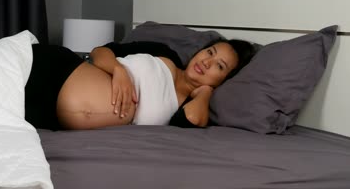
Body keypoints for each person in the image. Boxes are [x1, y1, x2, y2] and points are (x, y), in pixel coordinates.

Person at [25, 39, 255, 131]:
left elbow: (193, 121)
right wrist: (118, 70)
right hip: (52, 69)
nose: (206, 61)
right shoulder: (165, 54)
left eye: (220, 66)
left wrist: (205, 92)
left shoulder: (189, 106)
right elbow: (100, 52)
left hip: (47, 117)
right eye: (209, 51)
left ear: (225, 80)